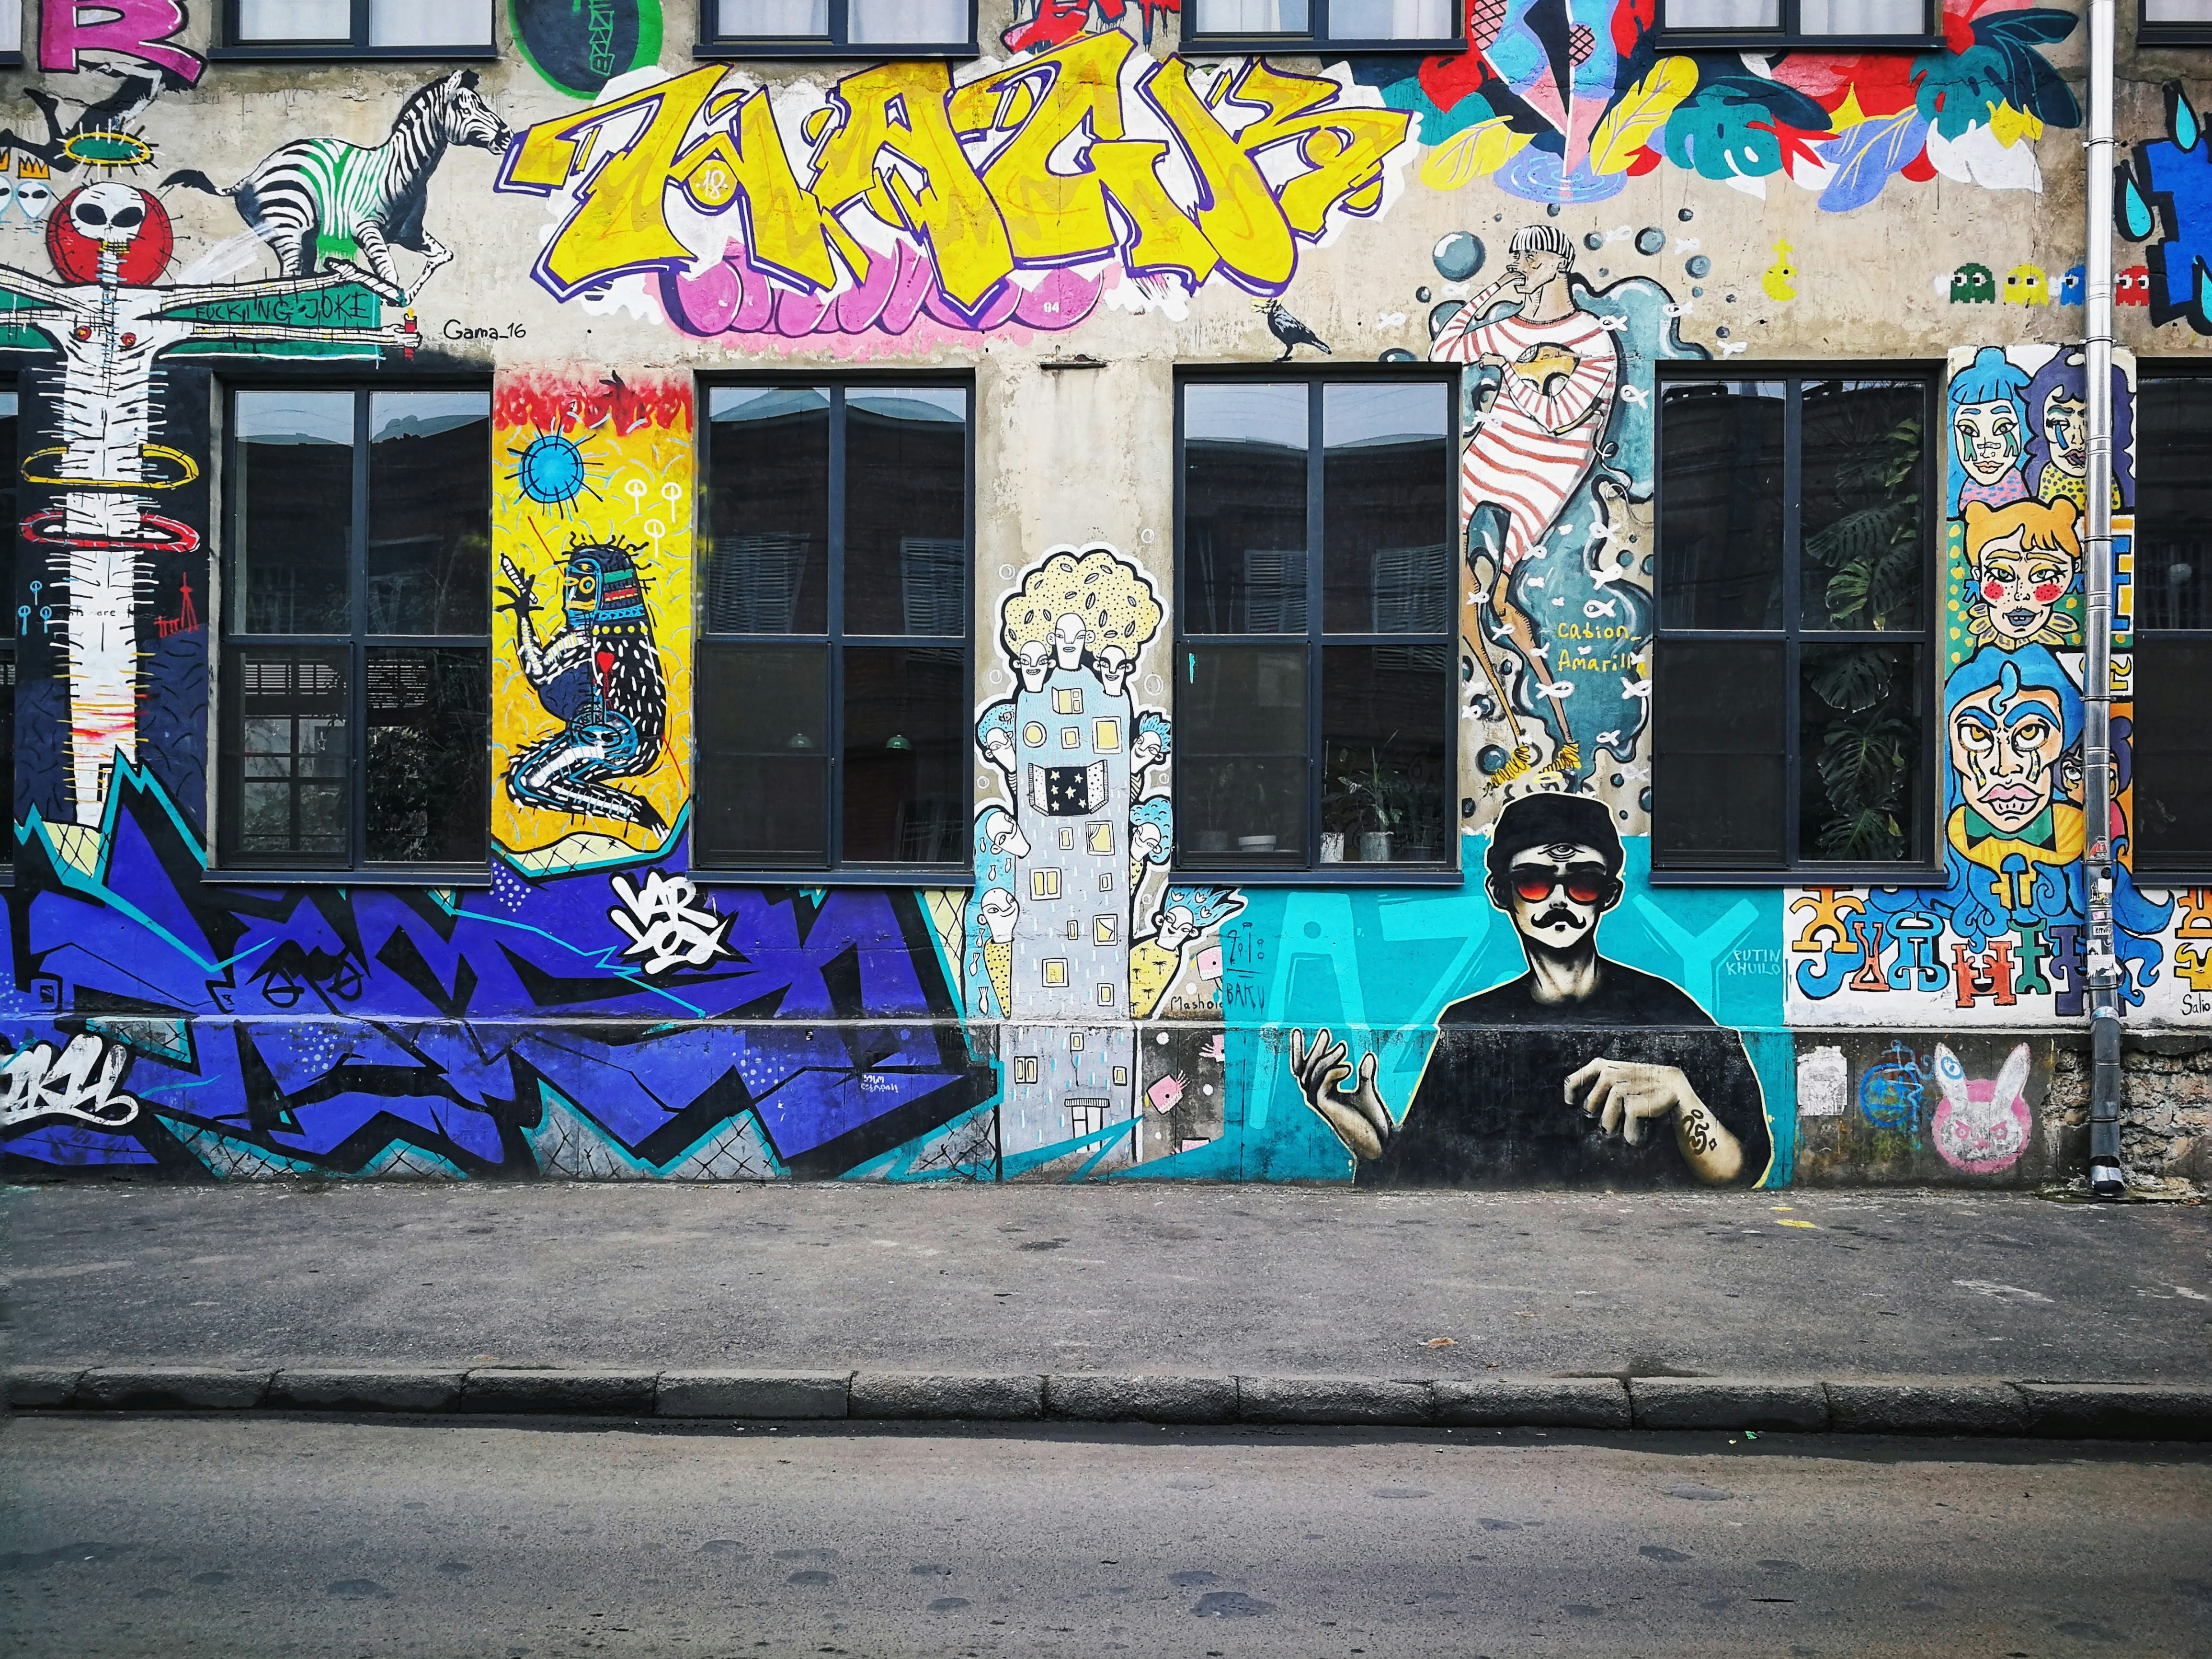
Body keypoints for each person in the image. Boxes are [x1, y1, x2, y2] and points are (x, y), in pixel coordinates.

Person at [1290, 795, 1770, 1187]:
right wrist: (1375, 1144)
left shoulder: (1671, 1015)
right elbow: (1428, 1170)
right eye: (1535, 882)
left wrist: (1682, 1095)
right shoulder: (1471, 1026)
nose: (1560, 899)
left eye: (1582, 881)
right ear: (1501, 893)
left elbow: (1737, 1169)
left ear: (1609, 894)